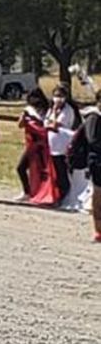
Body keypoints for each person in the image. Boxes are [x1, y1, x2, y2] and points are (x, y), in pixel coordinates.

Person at [17, 87, 55, 201]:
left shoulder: (48, 110)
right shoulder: (28, 111)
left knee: (44, 171)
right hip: (32, 143)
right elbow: (20, 125)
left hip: (44, 144)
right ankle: (27, 191)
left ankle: (40, 191)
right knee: (21, 168)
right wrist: (23, 119)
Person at [46, 86, 79, 202]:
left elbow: (56, 125)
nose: (57, 99)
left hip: (62, 145)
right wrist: (51, 119)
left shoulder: (68, 110)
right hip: (52, 145)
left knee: (62, 172)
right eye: (55, 96)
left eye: (60, 96)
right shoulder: (51, 109)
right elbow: (45, 123)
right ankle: (57, 195)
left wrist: (54, 115)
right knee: (55, 172)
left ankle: (65, 195)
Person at [80, 103, 101, 243]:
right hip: (98, 161)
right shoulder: (94, 117)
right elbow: (92, 140)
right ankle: (98, 229)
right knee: (99, 194)